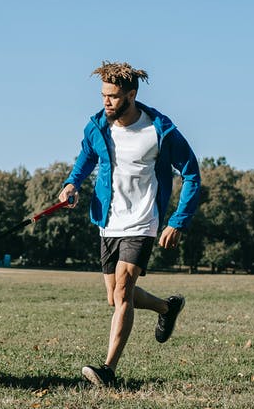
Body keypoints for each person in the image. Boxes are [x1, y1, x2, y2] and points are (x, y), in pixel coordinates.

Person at [58, 61, 202, 387]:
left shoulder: (159, 131)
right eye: (103, 95)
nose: (106, 101)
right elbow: (86, 156)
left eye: (112, 96)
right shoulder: (98, 127)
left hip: (142, 221)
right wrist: (72, 184)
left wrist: (178, 221)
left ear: (131, 94)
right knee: (115, 297)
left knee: (123, 292)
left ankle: (108, 370)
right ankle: (167, 308)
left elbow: (192, 173)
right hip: (108, 220)